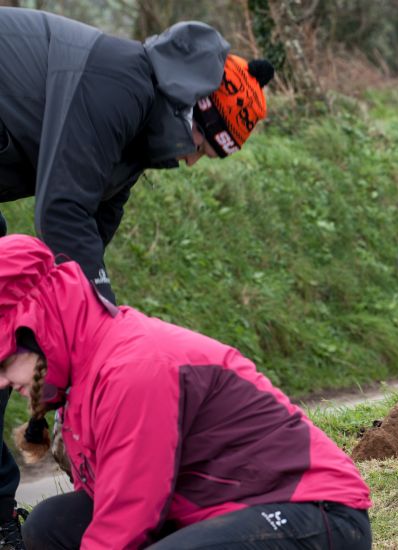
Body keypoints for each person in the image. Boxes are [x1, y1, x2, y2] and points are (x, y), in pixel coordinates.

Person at [0, 10, 274, 542]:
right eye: (205, 145)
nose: (194, 162)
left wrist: (95, 340)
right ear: (195, 104)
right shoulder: (116, 80)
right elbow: (61, 214)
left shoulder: (136, 128)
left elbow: (92, 233)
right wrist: (94, 340)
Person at [0, 234, 372, 549]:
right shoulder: (84, 375)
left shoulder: (133, 369)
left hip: (313, 512)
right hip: (209, 512)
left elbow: (127, 516)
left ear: (38, 329)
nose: (2, 382)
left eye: (3, 363)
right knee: (52, 524)